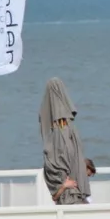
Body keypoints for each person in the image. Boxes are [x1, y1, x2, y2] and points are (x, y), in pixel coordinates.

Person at [40, 77, 92, 206]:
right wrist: (64, 186)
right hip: (69, 199)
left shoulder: (60, 135)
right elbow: (55, 195)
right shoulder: (63, 135)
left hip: (73, 197)